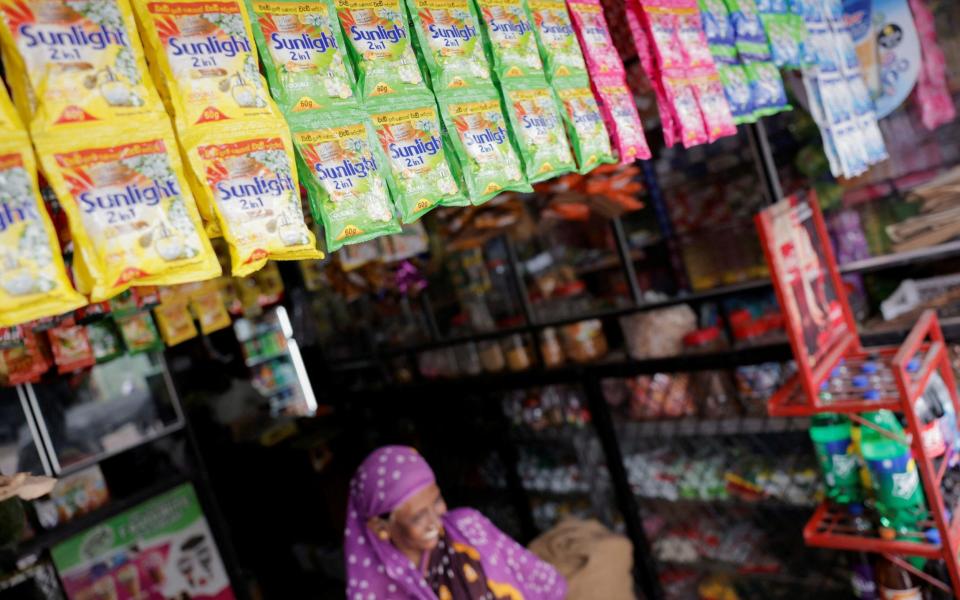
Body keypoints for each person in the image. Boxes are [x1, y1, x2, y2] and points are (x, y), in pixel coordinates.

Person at [344, 446, 567, 600]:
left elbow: (537, 576)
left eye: (437, 501)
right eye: (418, 517)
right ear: (380, 528)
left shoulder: (468, 527)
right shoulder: (376, 591)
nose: (435, 520)